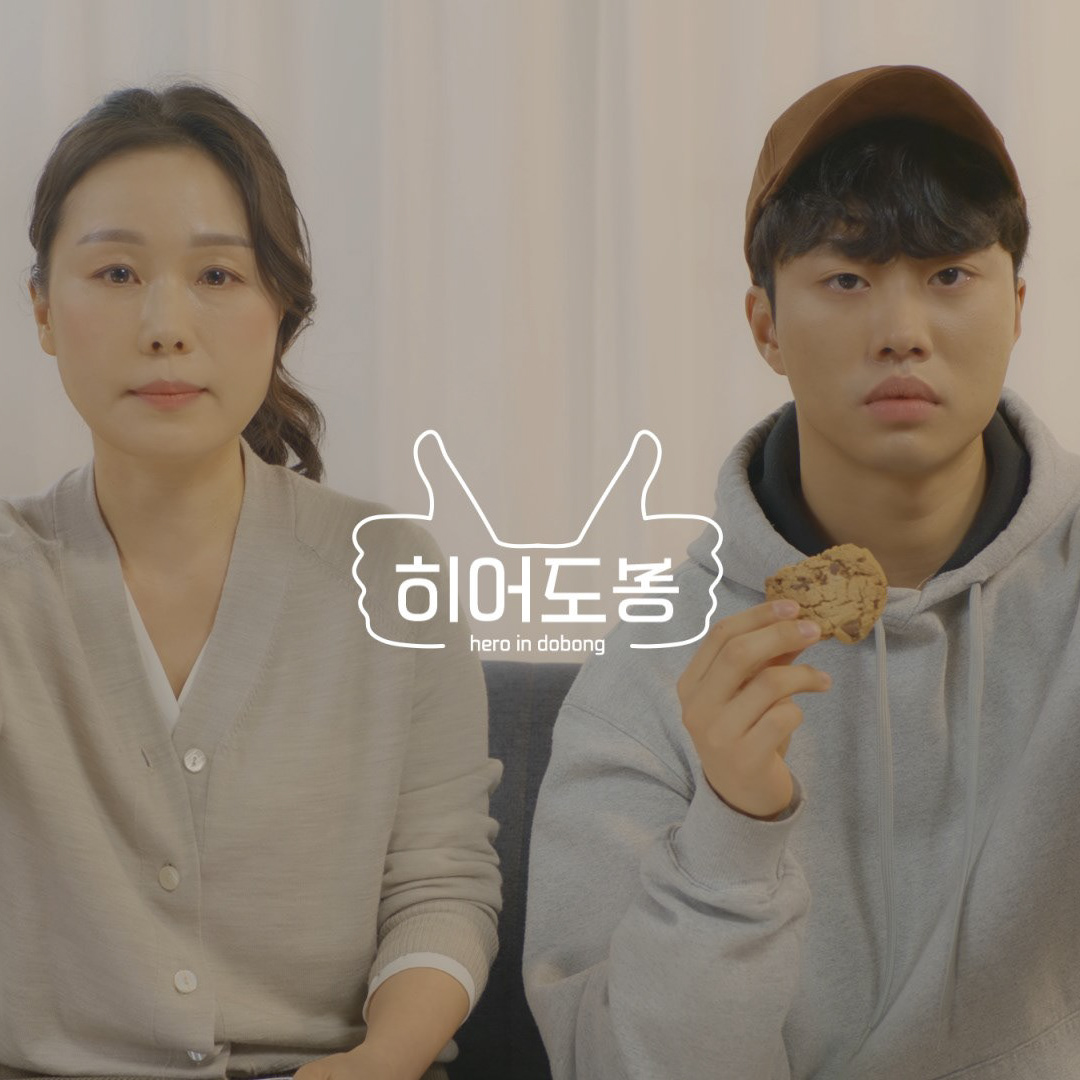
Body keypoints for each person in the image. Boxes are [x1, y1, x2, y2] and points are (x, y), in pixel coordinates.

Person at [523, 64, 1080, 1078]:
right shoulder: (654, 674)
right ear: (766, 326)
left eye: (949, 275)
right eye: (848, 280)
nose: (902, 332)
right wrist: (732, 835)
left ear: (1017, 306)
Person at [0, 83, 500, 1080]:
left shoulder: (387, 568)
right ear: (44, 310)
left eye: (218, 274)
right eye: (116, 272)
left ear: (282, 311)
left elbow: (440, 885)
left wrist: (381, 1062)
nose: (165, 325)